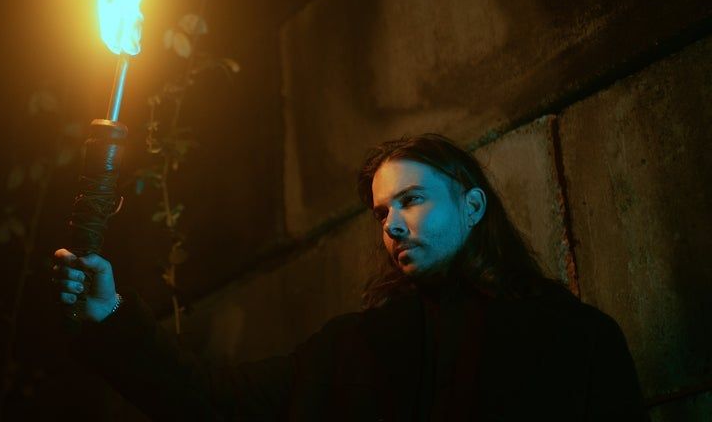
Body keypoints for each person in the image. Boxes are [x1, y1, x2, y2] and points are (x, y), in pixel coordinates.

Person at [53, 134, 648, 421]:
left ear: (472, 206)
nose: (393, 225)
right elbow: (210, 400)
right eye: (382, 213)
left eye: (412, 200)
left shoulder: (575, 340)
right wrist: (109, 315)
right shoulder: (352, 351)